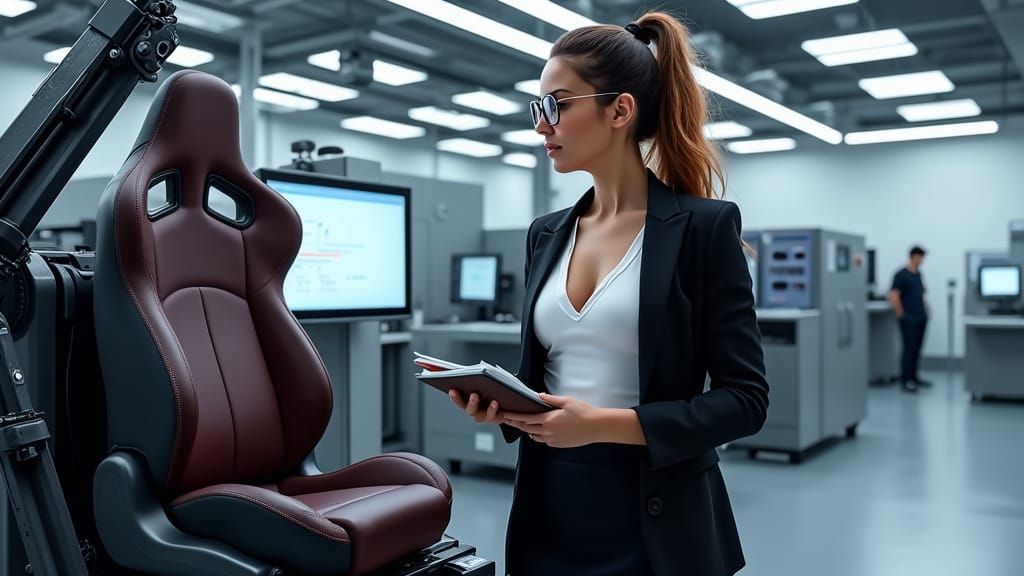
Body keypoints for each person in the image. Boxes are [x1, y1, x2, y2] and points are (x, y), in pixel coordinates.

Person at [448, 11, 769, 576]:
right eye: (538, 107)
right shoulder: (545, 234)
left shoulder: (703, 229)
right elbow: (548, 373)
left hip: (656, 518)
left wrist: (602, 425)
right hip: (549, 508)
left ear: (619, 110)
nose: (541, 125)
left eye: (558, 105)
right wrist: (501, 406)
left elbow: (745, 400)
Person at [890, 246, 931, 392]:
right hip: (909, 318)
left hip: (921, 317)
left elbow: (922, 295)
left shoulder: (918, 274)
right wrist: (902, 315)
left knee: (917, 349)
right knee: (908, 349)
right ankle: (906, 380)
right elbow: (894, 296)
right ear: (913, 256)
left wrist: (926, 310)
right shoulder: (901, 274)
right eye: (920, 257)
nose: (922, 260)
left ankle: (914, 377)